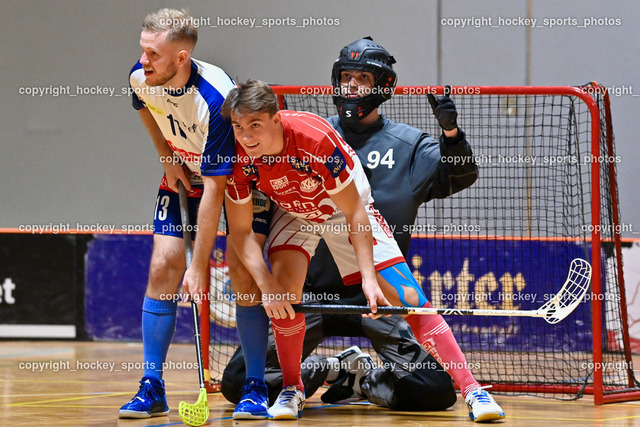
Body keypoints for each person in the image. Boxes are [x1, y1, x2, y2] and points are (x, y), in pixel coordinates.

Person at [220, 35, 482, 417]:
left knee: (432, 391)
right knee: (238, 381)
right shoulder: (275, 140)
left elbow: (459, 176)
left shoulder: (406, 144)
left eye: (363, 78)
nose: (352, 86)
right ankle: (315, 373)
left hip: (371, 293)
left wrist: (452, 137)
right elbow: (242, 229)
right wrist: (270, 287)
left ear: (383, 87)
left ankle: (365, 380)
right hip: (309, 295)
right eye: (346, 77)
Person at [118, 8, 237, 418]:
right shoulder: (142, 75)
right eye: (143, 50)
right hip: (183, 170)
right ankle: (152, 386)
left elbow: (217, 188)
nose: (143, 61)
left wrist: (200, 266)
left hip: (233, 178)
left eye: (153, 54)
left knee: (245, 272)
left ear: (181, 58)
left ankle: (257, 383)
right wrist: (166, 155)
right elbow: (142, 104)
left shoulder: (218, 99)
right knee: (161, 268)